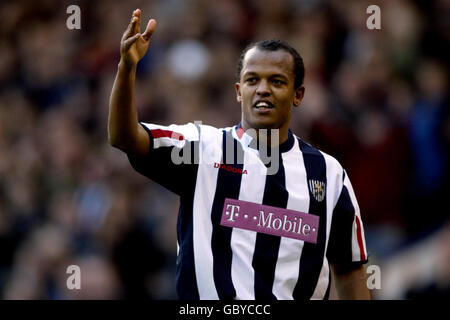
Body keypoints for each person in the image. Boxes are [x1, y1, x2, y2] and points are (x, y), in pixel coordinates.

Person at [108, 9, 371, 300]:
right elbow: (124, 137)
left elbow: (349, 268)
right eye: (252, 80)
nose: (263, 90)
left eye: (277, 81)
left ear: (298, 95)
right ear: (238, 91)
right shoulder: (202, 147)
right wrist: (127, 68)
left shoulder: (328, 173)